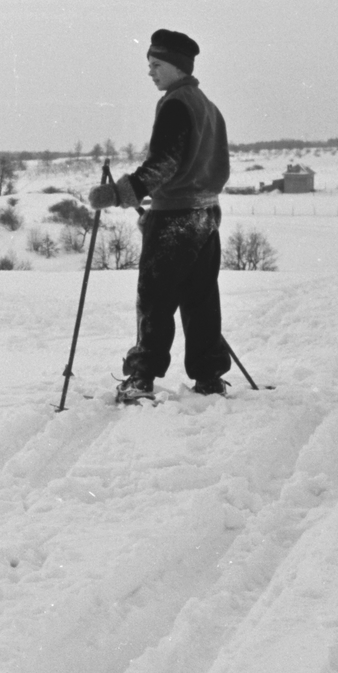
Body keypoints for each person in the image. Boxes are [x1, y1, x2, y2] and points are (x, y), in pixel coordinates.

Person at [89, 29, 232, 403]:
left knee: (155, 299)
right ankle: (209, 377)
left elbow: (165, 163)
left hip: (176, 220)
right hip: (205, 217)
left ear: (176, 67)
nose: (150, 73)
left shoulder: (176, 103)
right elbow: (207, 167)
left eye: (156, 65)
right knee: (201, 299)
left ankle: (141, 378)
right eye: (149, 65)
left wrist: (122, 194)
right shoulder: (207, 106)